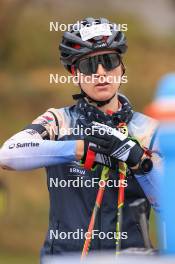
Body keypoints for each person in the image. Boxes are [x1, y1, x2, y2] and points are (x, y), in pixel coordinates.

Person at [0, 17, 162, 260]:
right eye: (89, 65)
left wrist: (139, 161)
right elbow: (8, 154)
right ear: (74, 72)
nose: (100, 73)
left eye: (108, 61)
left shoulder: (149, 129)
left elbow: (168, 205)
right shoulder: (58, 121)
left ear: (122, 67)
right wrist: (80, 148)